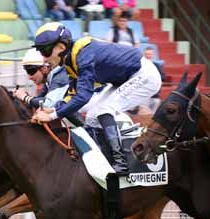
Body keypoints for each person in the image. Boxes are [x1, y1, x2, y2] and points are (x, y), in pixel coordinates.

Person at [30, 22, 162, 178]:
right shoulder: (71, 59)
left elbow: (83, 96)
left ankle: (121, 162)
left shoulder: (83, 56)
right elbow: (73, 92)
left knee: (103, 110)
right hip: (124, 79)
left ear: (60, 47)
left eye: (45, 51)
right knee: (92, 116)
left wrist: (52, 116)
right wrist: (53, 109)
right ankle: (105, 156)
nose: (43, 57)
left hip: (144, 75)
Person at [140, 46, 167, 113]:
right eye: (147, 54)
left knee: (153, 115)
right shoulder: (139, 66)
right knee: (143, 114)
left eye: (150, 54)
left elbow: (163, 77)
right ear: (144, 55)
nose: (148, 56)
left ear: (152, 55)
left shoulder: (157, 66)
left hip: (155, 96)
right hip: (143, 95)